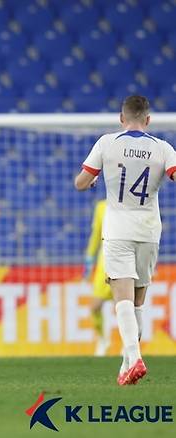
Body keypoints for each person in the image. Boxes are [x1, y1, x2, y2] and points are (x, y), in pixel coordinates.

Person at [74, 95, 176, 385]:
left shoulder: (108, 143)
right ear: (148, 120)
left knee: (122, 299)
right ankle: (126, 365)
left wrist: (93, 180)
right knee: (138, 302)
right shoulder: (163, 148)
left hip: (118, 228)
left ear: (122, 118)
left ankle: (135, 357)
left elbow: (80, 183)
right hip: (149, 230)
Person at [84, 199, 113, 356]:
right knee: (95, 306)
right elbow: (96, 235)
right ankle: (102, 340)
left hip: (124, 261)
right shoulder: (101, 207)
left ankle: (129, 345)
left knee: (125, 306)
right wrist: (89, 260)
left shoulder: (130, 203)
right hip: (104, 265)